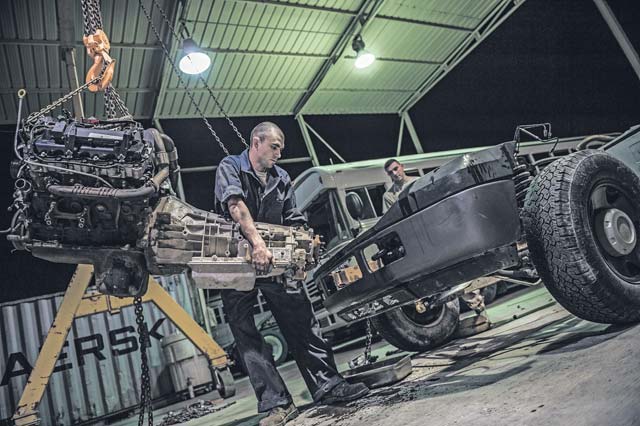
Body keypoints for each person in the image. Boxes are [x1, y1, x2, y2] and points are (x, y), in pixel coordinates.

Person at [214, 122, 369, 426]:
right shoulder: (230, 166)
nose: (279, 154)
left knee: (303, 322)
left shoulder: (281, 178)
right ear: (256, 142)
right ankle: (277, 404)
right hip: (236, 262)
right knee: (247, 336)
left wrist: (304, 243)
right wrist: (257, 243)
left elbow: (292, 218)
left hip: (277, 263)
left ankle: (328, 386)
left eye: (281, 149)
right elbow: (235, 205)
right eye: (275, 147)